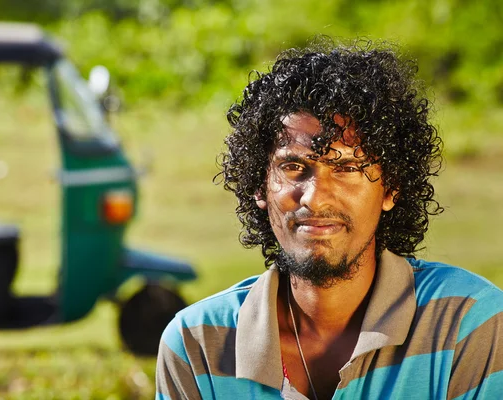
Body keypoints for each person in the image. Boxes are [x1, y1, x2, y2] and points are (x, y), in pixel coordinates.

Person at [155, 38, 503, 400]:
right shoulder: (196, 345)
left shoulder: (468, 324)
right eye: (293, 167)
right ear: (259, 186)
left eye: (346, 168)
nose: (314, 197)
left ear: (390, 189)